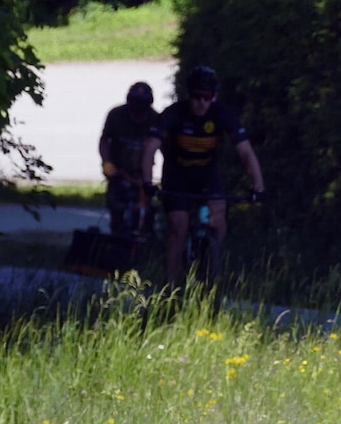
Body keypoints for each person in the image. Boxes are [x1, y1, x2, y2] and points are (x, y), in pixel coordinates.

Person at [140, 66, 265, 285]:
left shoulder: (222, 114)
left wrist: (258, 187)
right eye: (197, 96)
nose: (202, 103)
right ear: (189, 95)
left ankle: (211, 262)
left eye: (207, 97)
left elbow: (245, 152)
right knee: (179, 228)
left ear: (213, 97)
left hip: (207, 173)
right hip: (176, 174)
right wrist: (147, 182)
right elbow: (150, 146)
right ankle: (169, 287)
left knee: (218, 220)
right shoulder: (174, 113)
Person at [98, 81, 158, 237]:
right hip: (118, 171)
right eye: (135, 102)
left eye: (142, 104)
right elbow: (105, 140)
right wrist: (106, 162)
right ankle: (117, 238)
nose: (138, 108)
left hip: (142, 175)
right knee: (116, 210)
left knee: (145, 212)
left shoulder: (155, 119)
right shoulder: (116, 115)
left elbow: (165, 146)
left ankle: (143, 246)